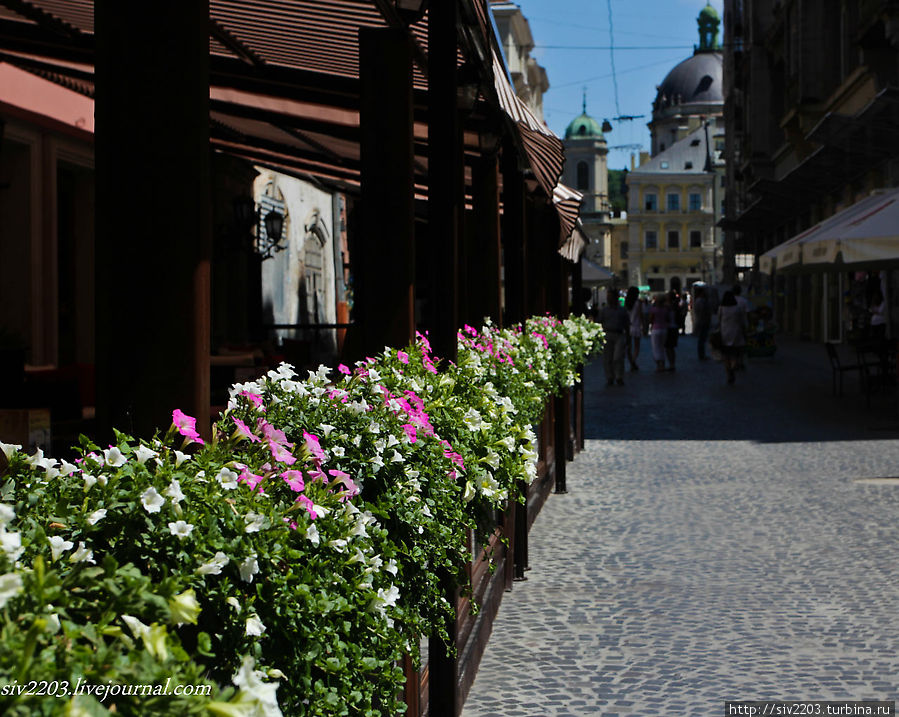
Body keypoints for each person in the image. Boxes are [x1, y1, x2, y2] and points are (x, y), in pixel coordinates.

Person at [597, 288, 629, 386]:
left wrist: (628, 337)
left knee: (617, 357)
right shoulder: (604, 310)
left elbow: (626, 324)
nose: (608, 299)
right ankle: (610, 377)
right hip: (607, 334)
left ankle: (619, 376)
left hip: (619, 334)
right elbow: (599, 322)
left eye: (610, 297)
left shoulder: (622, 310)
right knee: (607, 358)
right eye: (608, 297)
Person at [718, 290, 747, 384]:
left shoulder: (721, 308)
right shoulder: (737, 308)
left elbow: (719, 319)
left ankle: (728, 372)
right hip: (736, 333)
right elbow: (741, 320)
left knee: (726, 355)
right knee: (734, 354)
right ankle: (733, 368)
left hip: (724, 333)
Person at [648, 294, 670, 373]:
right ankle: (663, 364)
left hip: (655, 329)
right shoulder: (665, 309)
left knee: (656, 347)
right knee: (662, 347)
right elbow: (668, 319)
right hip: (664, 329)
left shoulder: (653, 310)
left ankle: (658, 365)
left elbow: (650, 320)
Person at [624, 286, 643, 371]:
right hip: (636, 325)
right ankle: (633, 362)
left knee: (629, 347)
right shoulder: (638, 303)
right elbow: (640, 314)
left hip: (628, 326)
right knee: (636, 347)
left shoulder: (626, 303)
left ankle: (631, 362)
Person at [692, 286, 712, 360]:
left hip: (702, 321)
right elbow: (702, 312)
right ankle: (701, 355)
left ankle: (702, 354)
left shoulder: (699, 300)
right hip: (702, 321)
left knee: (702, 339)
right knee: (702, 339)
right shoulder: (701, 301)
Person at [665, 290, 680, 371]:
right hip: (674, 327)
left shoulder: (667, 307)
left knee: (668, 347)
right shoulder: (675, 306)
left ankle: (671, 364)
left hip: (669, 328)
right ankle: (672, 364)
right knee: (671, 347)